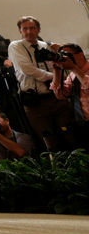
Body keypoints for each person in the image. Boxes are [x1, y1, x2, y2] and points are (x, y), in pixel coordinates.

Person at [7, 16, 74, 150]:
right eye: (24, 28)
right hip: (35, 103)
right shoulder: (16, 46)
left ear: (38, 29)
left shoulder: (46, 45)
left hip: (56, 97)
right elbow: (28, 69)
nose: (28, 31)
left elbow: (60, 66)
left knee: (70, 135)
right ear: (20, 31)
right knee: (49, 142)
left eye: (32, 28)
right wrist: (55, 78)